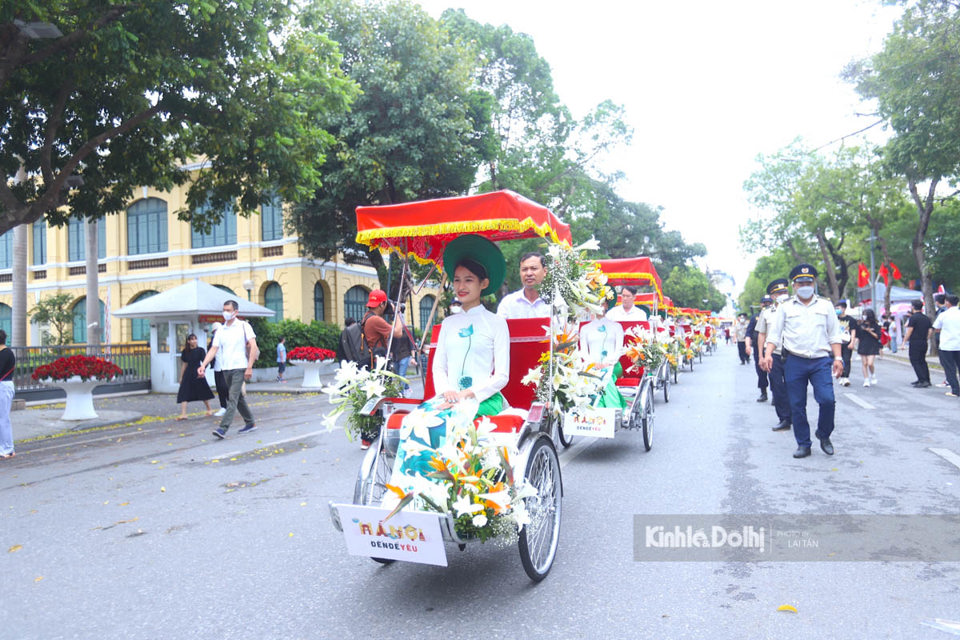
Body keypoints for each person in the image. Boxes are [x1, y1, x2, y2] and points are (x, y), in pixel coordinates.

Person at [762, 263, 843, 459]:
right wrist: (766, 355)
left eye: (809, 282)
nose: (805, 285)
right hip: (794, 361)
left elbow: (834, 334)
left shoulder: (825, 305)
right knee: (797, 405)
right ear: (794, 286)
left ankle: (824, 434)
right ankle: (803, 444)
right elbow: (774, 335)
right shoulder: (785, 307)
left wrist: (838, 358)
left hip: (820, 361)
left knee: (827, 400)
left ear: (814, 283)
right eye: (801, 283)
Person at [198, 300, 259, 439]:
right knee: (238, 397)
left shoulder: (244, 326)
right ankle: (250, 423)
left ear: (235, 312)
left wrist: (249, 367)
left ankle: (222, 428)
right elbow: (214, 349)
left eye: (228, 310)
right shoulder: (221, 329)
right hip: (226, 368)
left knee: (232, 398)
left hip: (240, 367)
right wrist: (203, 365)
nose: (225, 312)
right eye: (224, 309)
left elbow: (253, 346)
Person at [358, 290, 404, 448]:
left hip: (372, 363)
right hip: (378, 364)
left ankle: (368, 438)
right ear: (382, 304)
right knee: (381, 400)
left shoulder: (367, 318)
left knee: (373, 399)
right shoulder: (375, 320)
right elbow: (398, 332)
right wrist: (397, 313)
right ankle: (376, 438)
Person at [756, 279, 791, 432]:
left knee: (794, 386)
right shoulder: (766, 312)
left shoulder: (794, 309)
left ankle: (796, 415)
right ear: (773, 296)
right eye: (779, 293)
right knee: (777, 387)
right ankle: (784, 418)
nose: (783, 295)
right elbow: (761, 335)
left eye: (785, 292)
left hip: (792, 353)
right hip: (773, 354)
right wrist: (761, 356)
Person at [579, 300, 627, 410]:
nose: (599, 306)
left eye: (602, 303)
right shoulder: (585, 329)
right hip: (591, 366)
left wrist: (607, 363)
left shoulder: (616, 326)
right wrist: (593, 364)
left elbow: (619, 350)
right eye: (596, 303)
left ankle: (612, 409)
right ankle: (598, 409)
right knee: (595, 375)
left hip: (613, 365)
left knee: (605, 376)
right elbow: (584, 352)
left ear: (607, 305)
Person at [497, 251, 549, 319]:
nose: (529, 273)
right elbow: (498, 328)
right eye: (524, 269)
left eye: (534, 268)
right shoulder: (508, 303)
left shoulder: (554, 302)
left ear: (545, 271)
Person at [176, 333, 215, 420]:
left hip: (198, 372)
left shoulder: (200, 350)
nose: (194, 341)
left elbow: (205, 362)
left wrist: (203, 370)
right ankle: (183, 414)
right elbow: (184, 364)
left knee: (202, 391)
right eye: (192, 339)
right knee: (184, 392)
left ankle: (209, 409)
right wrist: (181, 377)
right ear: (188, 341)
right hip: (188, 373)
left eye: (195, 339)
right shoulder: (185, 351)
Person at [933, 294, 960, 398]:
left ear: (947, 302)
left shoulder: (943, 315)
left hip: (947, 345)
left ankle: (955, 390)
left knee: (950, 369)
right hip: (959, 344)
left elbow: (936, 328)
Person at [745, 297, 771, 402]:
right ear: (761, 305)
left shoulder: (776, 315)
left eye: (769, 303)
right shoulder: (755, 317)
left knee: (774, 372)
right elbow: (748, 333)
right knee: (761, 371)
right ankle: (763, 392)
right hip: (758, 348)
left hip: (772, 348)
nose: (767, 305)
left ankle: (776, 394)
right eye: (765, 303)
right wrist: (747, 346)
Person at [903, 299, 933, 388]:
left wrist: (904, 342)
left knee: (915, 361)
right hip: (923, 341)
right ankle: (926, 379)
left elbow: (910, 330)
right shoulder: (926, 318)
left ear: (913, 307)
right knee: (922, 360)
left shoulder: (913, 318)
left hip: (915, 342)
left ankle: (922, 379)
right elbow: (930, 330)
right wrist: (926, 338)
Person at [852, 308, 882, 387]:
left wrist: (870, 331)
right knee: (864, 363)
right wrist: (854, 342)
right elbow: (857, 336)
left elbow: (878, 336)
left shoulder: (876, 325)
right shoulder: (861, 325)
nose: (864, 316)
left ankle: (873, 375)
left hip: (872, 345)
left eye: (865, 314)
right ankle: (866, 379)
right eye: (863, 314)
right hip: (863, 345)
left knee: (870, 363)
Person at [207, 322, 228, 417]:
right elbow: (210, 353)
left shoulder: (226, 340)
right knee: (219, 388)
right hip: (217, 367)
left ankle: (231, 404)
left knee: (225, 386)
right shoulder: (213, 342)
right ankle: (223, 406)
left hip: (226, 367)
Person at [0, 330, 15, 459]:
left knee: (3, 419)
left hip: (3, 386)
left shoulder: (6, 353)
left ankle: (8, 449)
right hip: (3, 386)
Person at [834, 301, 855, 387]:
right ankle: (841, 375)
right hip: (837, 342)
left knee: (847, 359)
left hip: (846, 342)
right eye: (836, 308)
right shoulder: (834, 319)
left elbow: (853, 331)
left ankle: (846, 376)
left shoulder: (850, 319)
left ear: (844, 309)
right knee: (839, 359)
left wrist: (852, 342)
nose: (837, 310)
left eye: (838, 308)